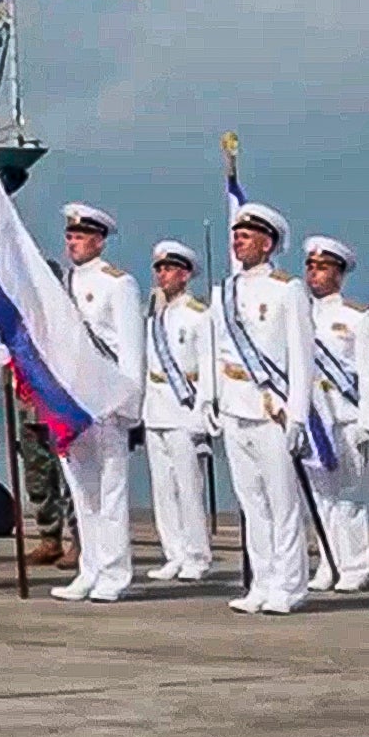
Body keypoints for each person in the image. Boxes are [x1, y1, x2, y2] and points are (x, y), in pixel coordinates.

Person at [216, 204, 320, 616]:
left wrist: (297, 415)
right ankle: (261, 581)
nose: (238, 239)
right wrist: (212, 400)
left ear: (268, 242)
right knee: (251, 502)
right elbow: (216, 350)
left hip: (271, 406)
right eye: (237, 233)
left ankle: (290, 584)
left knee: (281, 501)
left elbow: (301, 357)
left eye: (248, 234)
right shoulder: (226, 291)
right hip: (234, 404)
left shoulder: (287, 289)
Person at [47, 204, 150, 604]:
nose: (73, 242)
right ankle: (89, 568)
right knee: (82, 492)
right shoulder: (65, 283)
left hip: (106, 400)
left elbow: (130, 348)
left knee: (110, 493)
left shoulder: (118, 283)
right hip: (73, 401)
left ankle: (114, 571)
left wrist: (129, 403)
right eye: (70, 236)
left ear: (99, 240)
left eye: (80, 236)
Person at [298, 238, 369, 594]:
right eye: (311, 267)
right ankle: (328, 563)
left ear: (339, 273)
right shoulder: (300, 316)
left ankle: (354, 566)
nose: (315, 274)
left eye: (323, 268)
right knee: (319, 498)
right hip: (316, 419)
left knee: (349, 497)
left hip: (346, 417)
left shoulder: (356, 317)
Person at [141, 240, 218, 584]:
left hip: (184, 407)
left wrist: (204, 412)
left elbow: (209, 367)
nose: (162, 275)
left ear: (185, 274)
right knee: (163, 488)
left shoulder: (200, 316)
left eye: (169, 269)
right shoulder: (155, 317)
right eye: (159, 268)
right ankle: (173, 552)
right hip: (155, 408)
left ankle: (197, 556)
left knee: (189, 487)